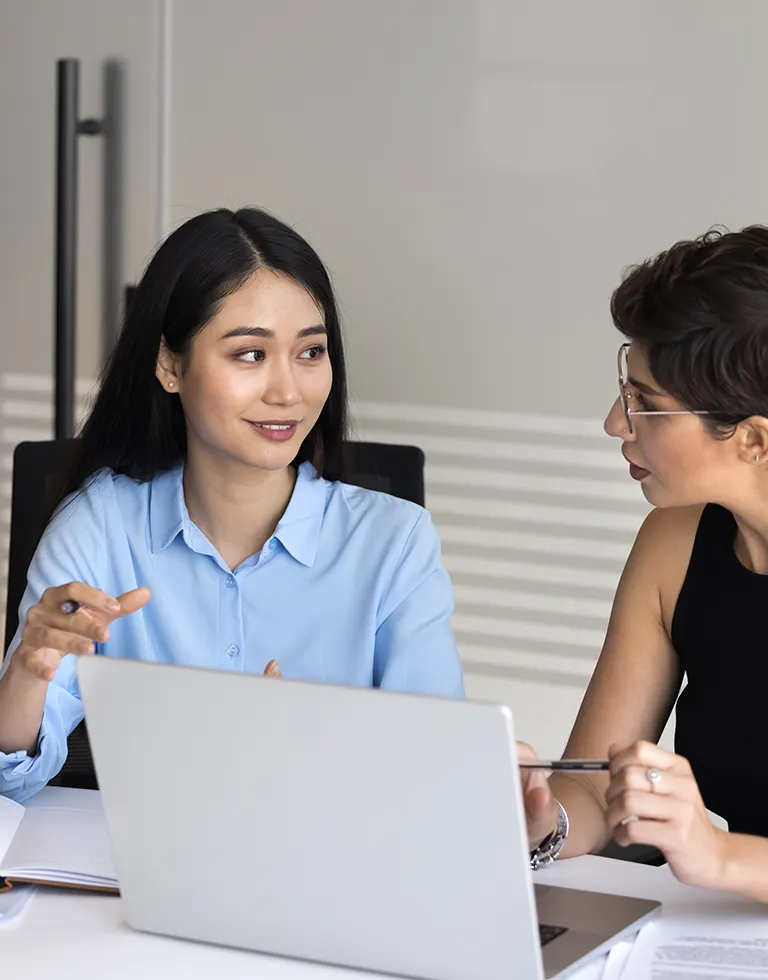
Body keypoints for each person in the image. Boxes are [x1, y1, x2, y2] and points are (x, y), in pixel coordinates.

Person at [0, 207, 464, 803]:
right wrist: (26, 672)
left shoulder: (395, 542)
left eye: (310, 352)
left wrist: (314, 751)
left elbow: (437, 774)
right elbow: (13, 778)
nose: (288, 391)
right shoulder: (100, 524)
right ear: (171, 365)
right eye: (250, 354)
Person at [522, 226, 768, 902]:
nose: (614, 422)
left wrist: (716, 855)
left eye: (647, 405)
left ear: (751, 439)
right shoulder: (673, 542)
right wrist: (544, 817)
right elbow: (597, 783)